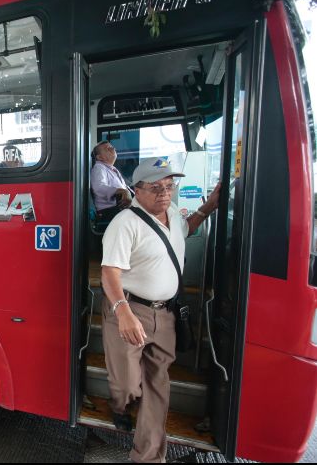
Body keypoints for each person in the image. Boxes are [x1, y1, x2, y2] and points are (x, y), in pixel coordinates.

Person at [100, 157, 220, 463]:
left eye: (169, 186)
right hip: (129, 311)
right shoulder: (124, 224)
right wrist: (122, 312)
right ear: (137, 190)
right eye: (155, 188)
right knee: (127, 384)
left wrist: (209, 206)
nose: (164, 193)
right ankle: (120, 405)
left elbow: (187, 227)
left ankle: (148, 457)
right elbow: (109, 272)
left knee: (157, 387)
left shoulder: (173, 215)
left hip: (165, 314)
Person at [90, 141, 132, 221]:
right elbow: (98, 188)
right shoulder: (99, 168)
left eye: (112, 147)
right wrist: (121, 191)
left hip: (117, 210)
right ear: (100, 157)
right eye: (108, 148)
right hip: (109, 212)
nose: (113, 149)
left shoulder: (112, 169)